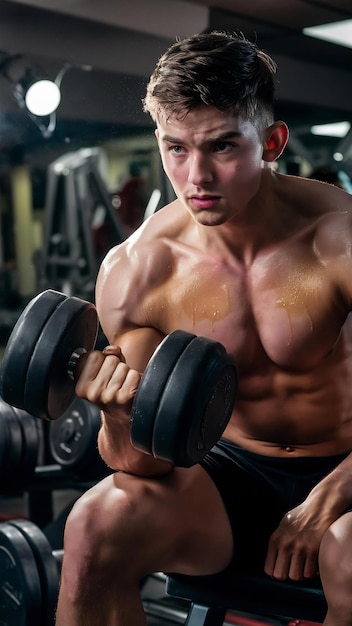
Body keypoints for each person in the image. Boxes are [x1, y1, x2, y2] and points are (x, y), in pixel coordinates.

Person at [55, 31, 352, 626]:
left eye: (221, 147)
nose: (197, 177)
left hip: (346, 463)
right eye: (176, 149)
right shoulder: (138, 271)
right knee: (94, 525)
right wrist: (118, 413)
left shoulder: (338, 241)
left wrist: (335, 494)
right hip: (232, 470)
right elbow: (145, 463)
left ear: (271, 142)